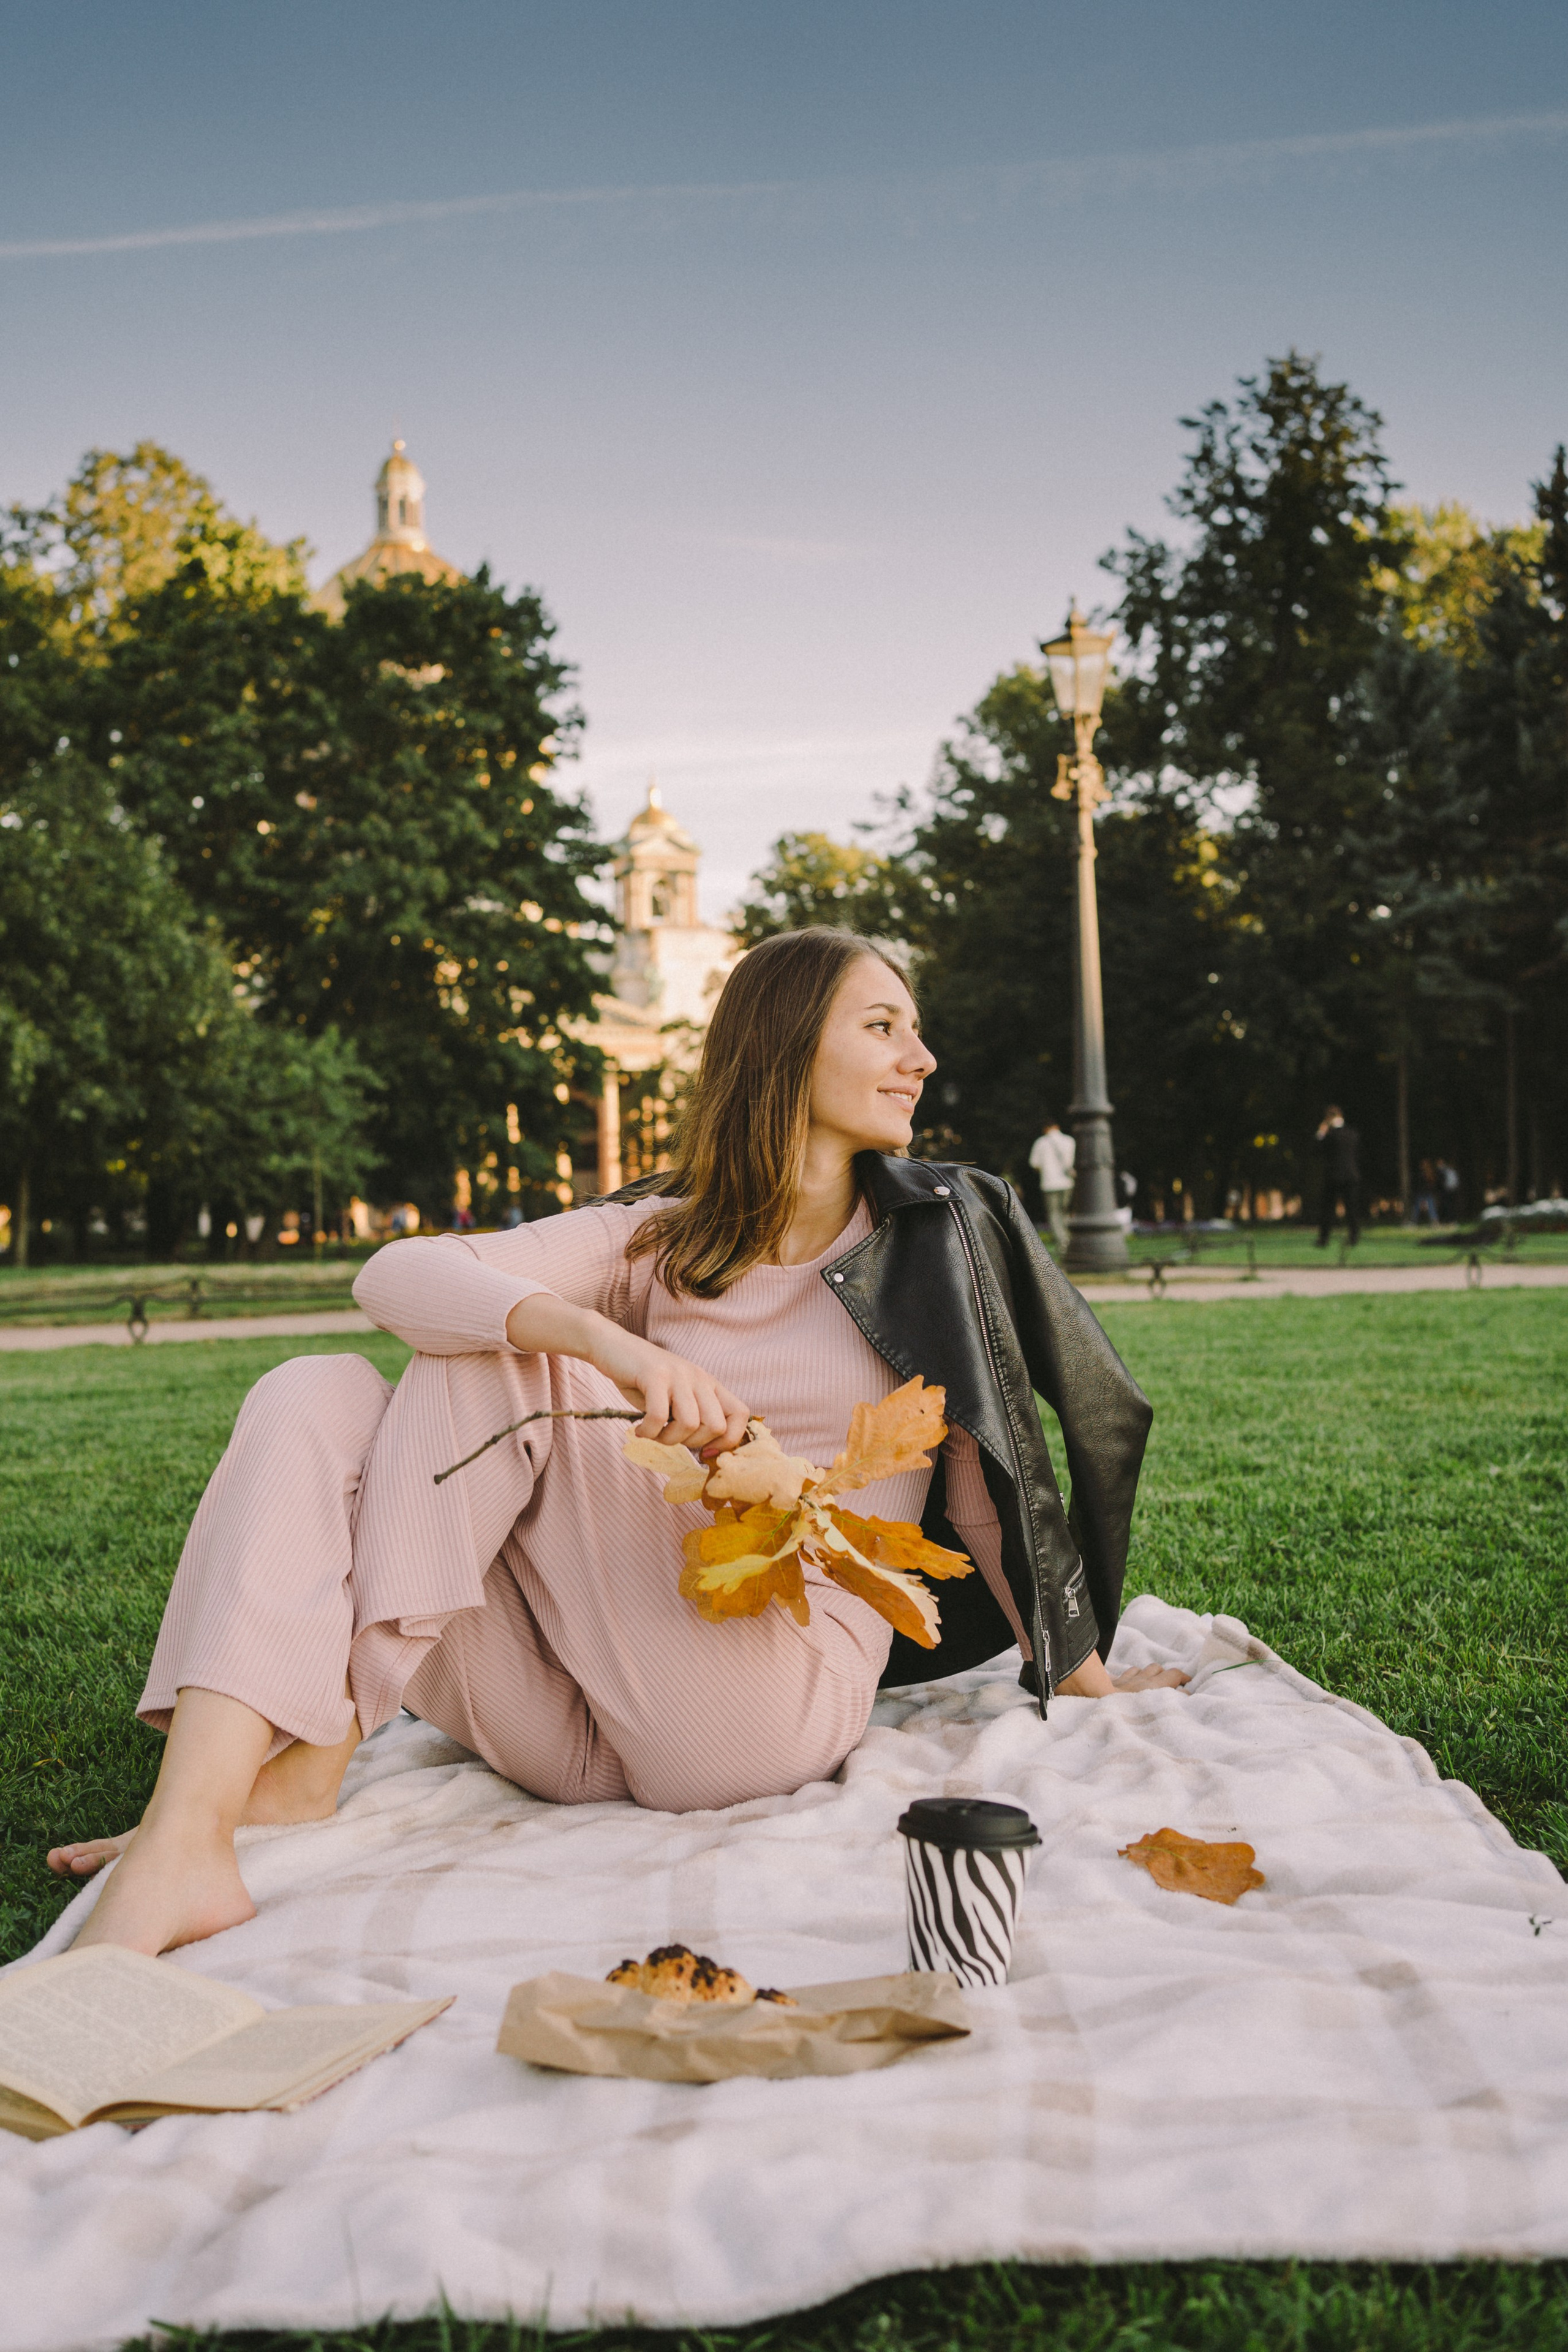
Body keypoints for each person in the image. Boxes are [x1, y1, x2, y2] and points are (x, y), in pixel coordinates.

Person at [49, 930, 1182, 1958]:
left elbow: (990, 1491)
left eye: (913, 1031)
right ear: (784, 1051)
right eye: (882, 1027)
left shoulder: (931, 1240)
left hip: (763, 1691)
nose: (921, 1058)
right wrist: (616, 1343)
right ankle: (194, 1829)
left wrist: (1083, 1677)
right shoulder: (658, 1235)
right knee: (315, 1393)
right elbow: (392, 1274)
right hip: (571, 1719)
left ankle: (306, 1759)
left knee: (500, 1356)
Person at [1314, 1106, 1361, 1246]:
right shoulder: (1353, 1134)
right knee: (1352, 1209)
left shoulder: (1330, 1135)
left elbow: (1317, 1149)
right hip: (1351, 1175)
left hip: (1333, 1176)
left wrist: (1321, 1133)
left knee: (1328, 1210)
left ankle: (1324, 1239)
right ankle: (1354, 1237)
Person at [1029, 1117, 1076, 1251]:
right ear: (1058, 1127)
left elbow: (1035, 1164)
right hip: (1067, 1182)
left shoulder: (1041, 1143)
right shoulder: (1069, 1141)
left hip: (1049, 1183)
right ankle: (1070, 1239)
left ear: (1046, 1129)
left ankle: (1063, 1242)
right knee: (1065, 1212)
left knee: (1054, 1214)